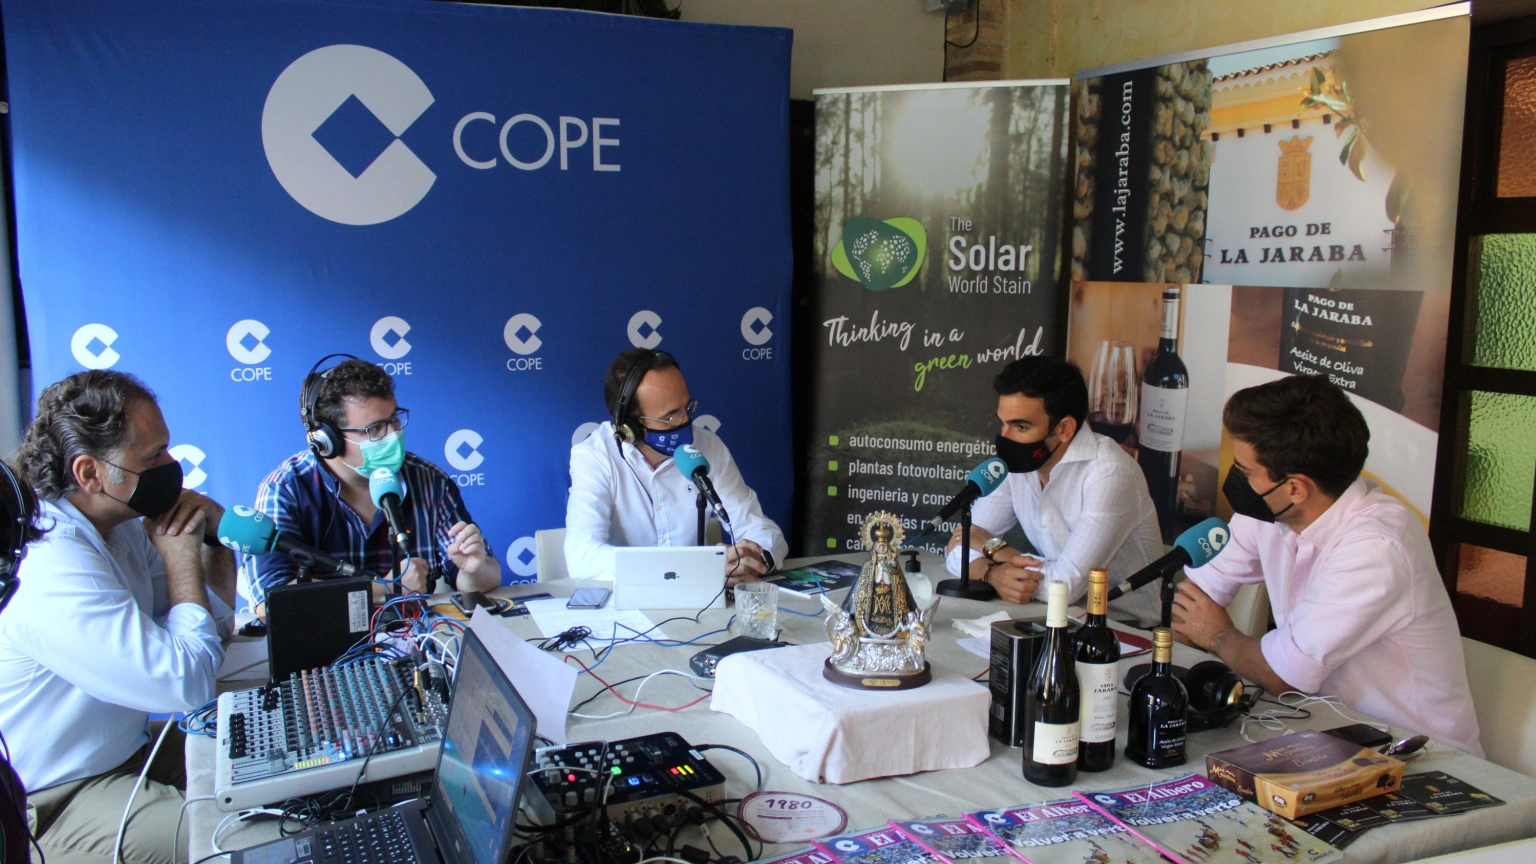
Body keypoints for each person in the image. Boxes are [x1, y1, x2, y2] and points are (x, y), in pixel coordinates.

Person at [1172, 375, 1482, 755]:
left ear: (1295, 488)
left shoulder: (1377, 547)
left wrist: (1218, 636)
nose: (1236, 479)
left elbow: (1282, 675)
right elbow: (1195, 601)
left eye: (1245, 472)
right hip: (1324, 732)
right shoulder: (1271, 509)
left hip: (1416, 756)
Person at [0, 371, 236, 864]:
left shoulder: (117, 522)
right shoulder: (51, 560)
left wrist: (215, 543)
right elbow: (186, 683)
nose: (171, 467)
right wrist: (181, 559)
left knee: (273, 770)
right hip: (58, 797)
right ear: (91, 473)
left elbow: (204, 629)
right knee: (236, 835)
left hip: (126, 751)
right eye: (154, 456)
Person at [247, 356, 499, 608]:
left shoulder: (429, 481)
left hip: (417, 630)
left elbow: (485, 575)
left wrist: (473, 571)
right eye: (376, 428)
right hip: (325, 633)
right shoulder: (285, 489)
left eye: (394, 419)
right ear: (327, 440)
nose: (394, 434)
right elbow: (269, 602)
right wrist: (386, 587)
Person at [946, 356, 1163, 623]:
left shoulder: (1110, 474)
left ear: (1064, 428)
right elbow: (958, 546)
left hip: (1126, 629)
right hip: (1058, 617)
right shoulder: (1014, 466)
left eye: (1020, 426)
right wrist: (991, 573)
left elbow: (1064, 587)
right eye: (1003, 423)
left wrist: (996, 549)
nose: (1005, 438)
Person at [566, 348, 787, 584]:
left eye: (687, 408)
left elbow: (761, 529)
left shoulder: (708, 447)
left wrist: (755, 558)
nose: (685, 421)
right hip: (628, 598)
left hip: (703, 598)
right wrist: (689, 568)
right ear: (629, 427)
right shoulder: (595, 457)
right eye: (670, 416)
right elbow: (582, 555)